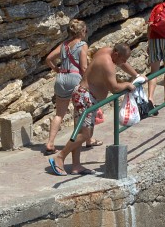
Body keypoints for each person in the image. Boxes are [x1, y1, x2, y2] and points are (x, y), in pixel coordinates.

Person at [48, 44, 143, 176]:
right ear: (116, 54)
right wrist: (127, 84)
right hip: (85, 98)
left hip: (83, 95)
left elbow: (121, 64)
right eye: (123, 59)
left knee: (80, 132)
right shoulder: (108, 64)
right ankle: (59, 157)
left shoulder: (106, 51)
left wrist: (137, 75)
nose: (124, 62)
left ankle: (76, 166)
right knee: (86, 134)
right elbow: (114, 88)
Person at [42, 19, 91, 155]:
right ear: (82, 31)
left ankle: (50, 143)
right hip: (75, 78)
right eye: (85, 30)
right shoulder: (82, 45)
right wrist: (87, 80)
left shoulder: (64, 45)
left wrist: (56, 69)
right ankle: (86, 140)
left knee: (59, 114)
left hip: (61, 79)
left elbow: (48, 59)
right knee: (82, 112)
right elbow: (83, 66)